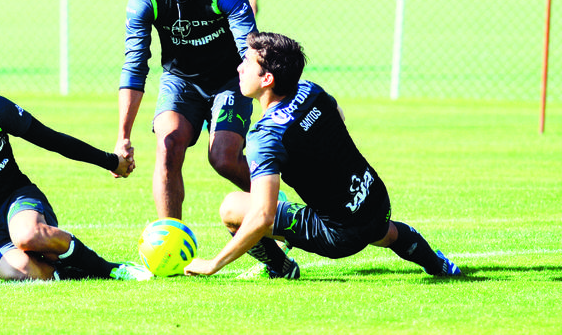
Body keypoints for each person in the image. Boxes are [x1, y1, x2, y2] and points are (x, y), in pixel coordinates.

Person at [184, 32, 462, 279]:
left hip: (338, 236)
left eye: (247, 63)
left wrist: (212, 264)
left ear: (267, 79)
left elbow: (263, 216)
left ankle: (280, 267)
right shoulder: (310, 90)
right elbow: (338, 117)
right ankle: (439, 265)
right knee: (382, 231)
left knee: (232, 207)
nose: (239, 68)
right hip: (376, 198)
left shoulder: (265, 136)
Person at [0, 48, 152, 282]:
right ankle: (71, 272)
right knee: (21, 268)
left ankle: (110, 269)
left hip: (16, 199)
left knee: (27, 235)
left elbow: (52, 139)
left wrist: (111, 161)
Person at [116, 0, 257, 220]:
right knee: (168, 146)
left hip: (229, 80)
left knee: (222, 158)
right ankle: (171, 241)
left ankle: (277, 207)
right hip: (180, 80)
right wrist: (123, 137)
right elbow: (135, 63)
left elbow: (250, 49)